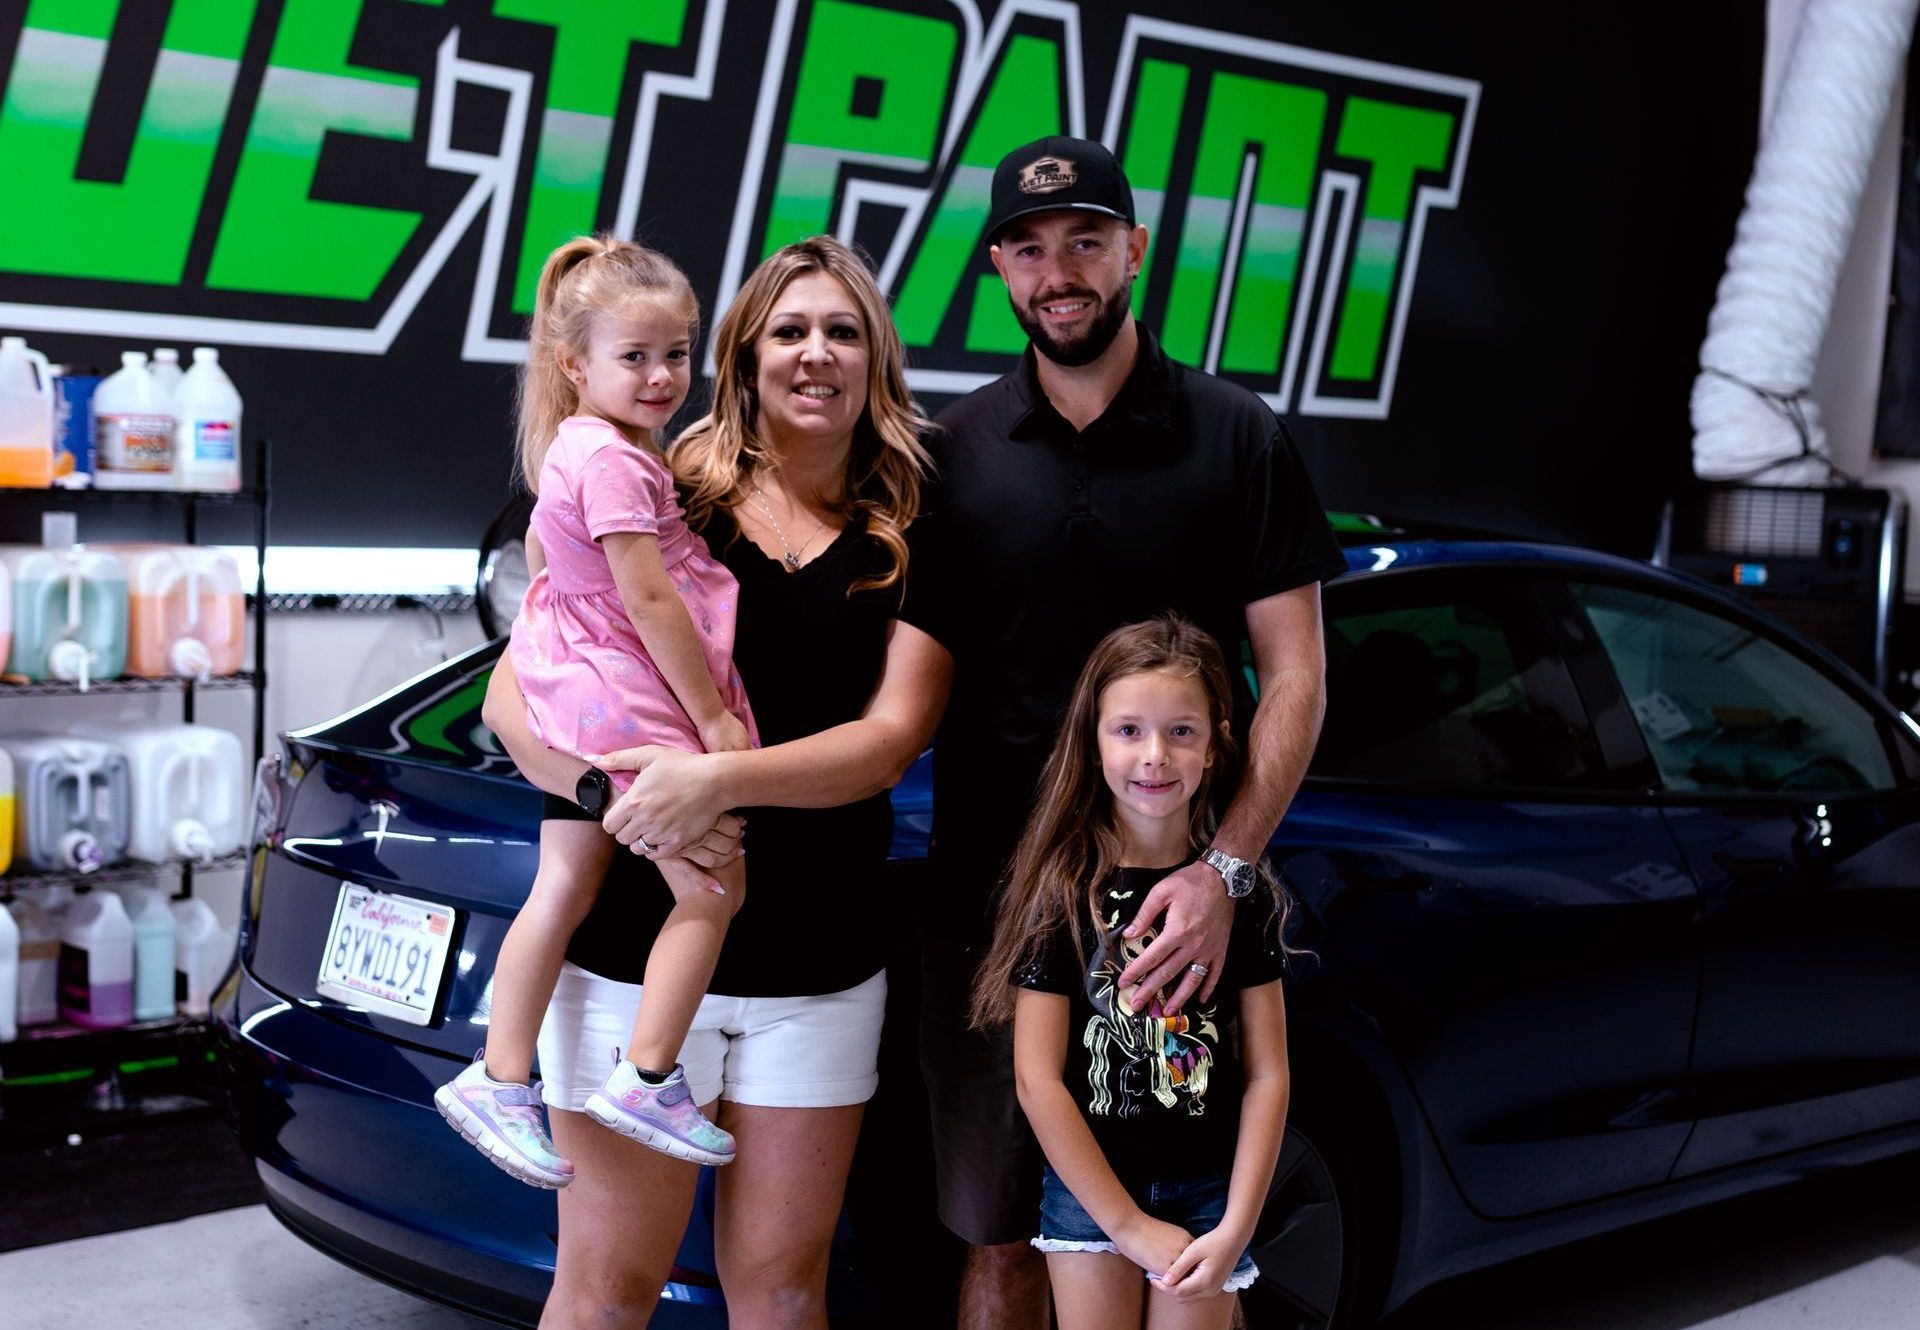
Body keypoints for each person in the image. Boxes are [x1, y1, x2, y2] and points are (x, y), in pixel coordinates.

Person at [902, 134, 1345, 1326]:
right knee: (1002, 1242)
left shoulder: (1238, 435)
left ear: (1135, 250)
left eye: (1087, 240)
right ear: (998, 267)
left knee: (1189, 1252)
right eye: (1030, 248)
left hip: (1182, 917)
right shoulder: (951, 459)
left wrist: (1226, 872)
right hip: (993, 911)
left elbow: (1298, 677)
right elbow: (899, 698)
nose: (1061, 271)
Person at [484, 234, 950, 1328]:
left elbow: (888, 744)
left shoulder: (909, 533)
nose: (815, 353)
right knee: (605, 1290)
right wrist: (619, 799)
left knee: (785, 1294)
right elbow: (520, 700)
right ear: (743, 358)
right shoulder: (658, 495)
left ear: (876, 357)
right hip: (632, 968)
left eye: (843, 330)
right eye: (789, 330)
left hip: (821, 975)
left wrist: (716, 774)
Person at [436, 235, 755, 1185]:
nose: (661, 376)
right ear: (574, 363)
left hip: (579, 692)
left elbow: (545, 569)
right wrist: (715, 725)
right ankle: (650, 1073)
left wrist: (560, 649)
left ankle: (500, 1076)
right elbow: (651, 599)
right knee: (713, 884)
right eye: (635, 357)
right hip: (629, 703)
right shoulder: (615, 462)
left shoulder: (573, 449)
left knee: (561, 889)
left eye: (675, 354)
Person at [971, 615, 1290, 1330]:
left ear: (1215, 746)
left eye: (1182, 731)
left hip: (1212, 1191)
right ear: (1092, 741)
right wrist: (1123, 1223)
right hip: (1090, 1197)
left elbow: (1269, 1072)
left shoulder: (1241, 894)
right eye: (1128, 731)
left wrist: (1238, 1225)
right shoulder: (1061, 887)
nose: (1155, 755)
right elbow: (1037, 1078)